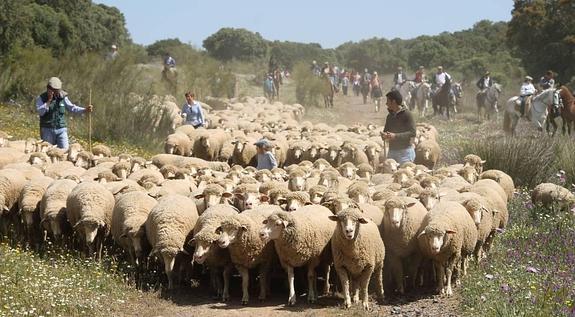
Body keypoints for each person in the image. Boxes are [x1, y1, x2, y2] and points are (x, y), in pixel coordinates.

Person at [36, 77, 93, 150]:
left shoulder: (63, 97)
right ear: (49, 89)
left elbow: (72, 108)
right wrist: (49, 101)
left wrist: (85, 110)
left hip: (61, 129)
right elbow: (41, 112)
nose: (56, 93)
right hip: (47, 129)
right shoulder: (41, 98)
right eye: (54, 91)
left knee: (65, 150)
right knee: (47, 151)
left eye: (58, 91)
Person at [380, 90, 416, 164]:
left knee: (405, 173)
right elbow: (386, 130)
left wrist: (395, 136)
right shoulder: (390, 116)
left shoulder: (407, 114)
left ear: (393, 102)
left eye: (388, 101)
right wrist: (384, 135)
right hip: (392, 151)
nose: (386, 103)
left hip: (405, 152)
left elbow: (412, 133)